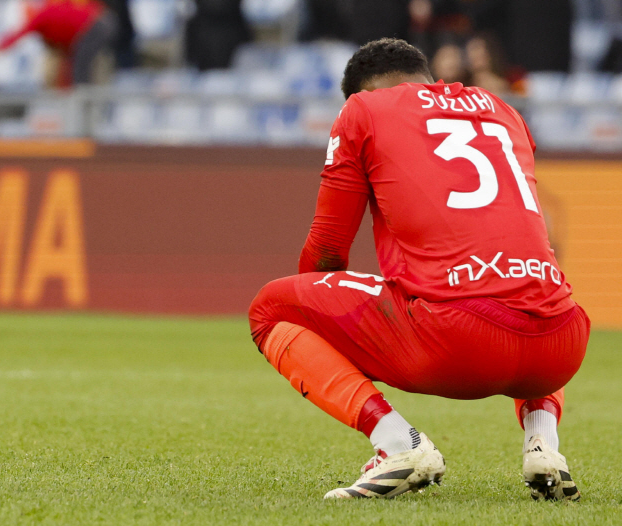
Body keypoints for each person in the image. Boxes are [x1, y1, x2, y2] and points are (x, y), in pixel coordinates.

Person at [247, 38, 589, 501]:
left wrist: (326, 311)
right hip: (561, 346)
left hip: (458, 341)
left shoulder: (363, 110)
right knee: (527, 286)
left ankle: (399, 445)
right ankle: (543, 442)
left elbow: (328, 251)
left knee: (271, 308)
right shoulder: (501, 108)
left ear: (360, 93)